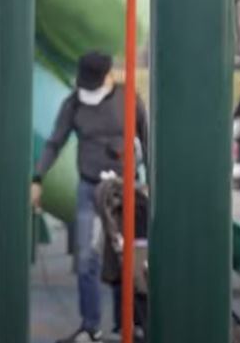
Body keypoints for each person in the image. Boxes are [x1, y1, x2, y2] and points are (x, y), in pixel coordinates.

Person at [31, 51, 149, 343]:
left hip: (127, 190)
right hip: (90, 189)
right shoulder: (74, 103)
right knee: (87, 257)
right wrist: (37, 178)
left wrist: (153, 184)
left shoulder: (129, 99)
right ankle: (90, 326)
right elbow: (54, 142)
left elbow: (148, 139)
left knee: (127, 259)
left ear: (110, 76)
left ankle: (127, 324)